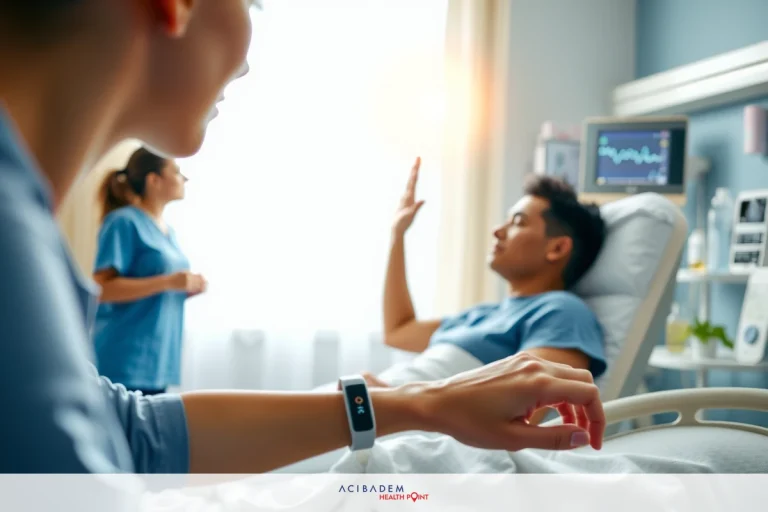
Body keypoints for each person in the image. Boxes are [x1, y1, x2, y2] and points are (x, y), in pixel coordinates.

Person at [0, 0, 604, 480]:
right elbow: (400, 330)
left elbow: (129, 435)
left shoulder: (27, 235)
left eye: (520, 221)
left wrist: (422, 405)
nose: (245, 64)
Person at [362, 164, 607, 424]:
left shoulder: (562, 311)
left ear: (557, 248)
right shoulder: (482, 314)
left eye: (518, 222)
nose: (497, 231)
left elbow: (518, 417)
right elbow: (398, 331)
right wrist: (397, 235)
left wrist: (395, 401)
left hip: (398, 422)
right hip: (379, 407)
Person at [93, 147, 206, 395]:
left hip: (158, 361)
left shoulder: (169, 232)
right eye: (176, 172)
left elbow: (156, 286)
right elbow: (101, 288)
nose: (183, 179)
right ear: (153, 180)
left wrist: (183, 289)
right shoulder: (124, 221)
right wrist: (167, 282)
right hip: (125, 359)